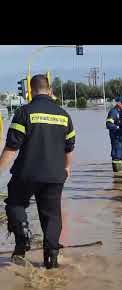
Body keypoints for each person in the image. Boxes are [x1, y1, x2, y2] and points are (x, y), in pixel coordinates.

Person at [0, 74, 75, 269]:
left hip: (27, 173)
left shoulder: (24, 113)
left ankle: (23, 236)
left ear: (30, 92)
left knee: (15, 204)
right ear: (50, 91)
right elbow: (70, 146)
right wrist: (67, 167)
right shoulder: (63, 115)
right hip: (55, 175)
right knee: (51, 215)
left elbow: (12, 146)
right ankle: (51, 258)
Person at [106, 96, 122, 173]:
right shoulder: (113, 112)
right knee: (117, 156)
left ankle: (121, 178)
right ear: (118, 103)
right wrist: (119, 127)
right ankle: (117, 177)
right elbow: (108, 124)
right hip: (116, 138)